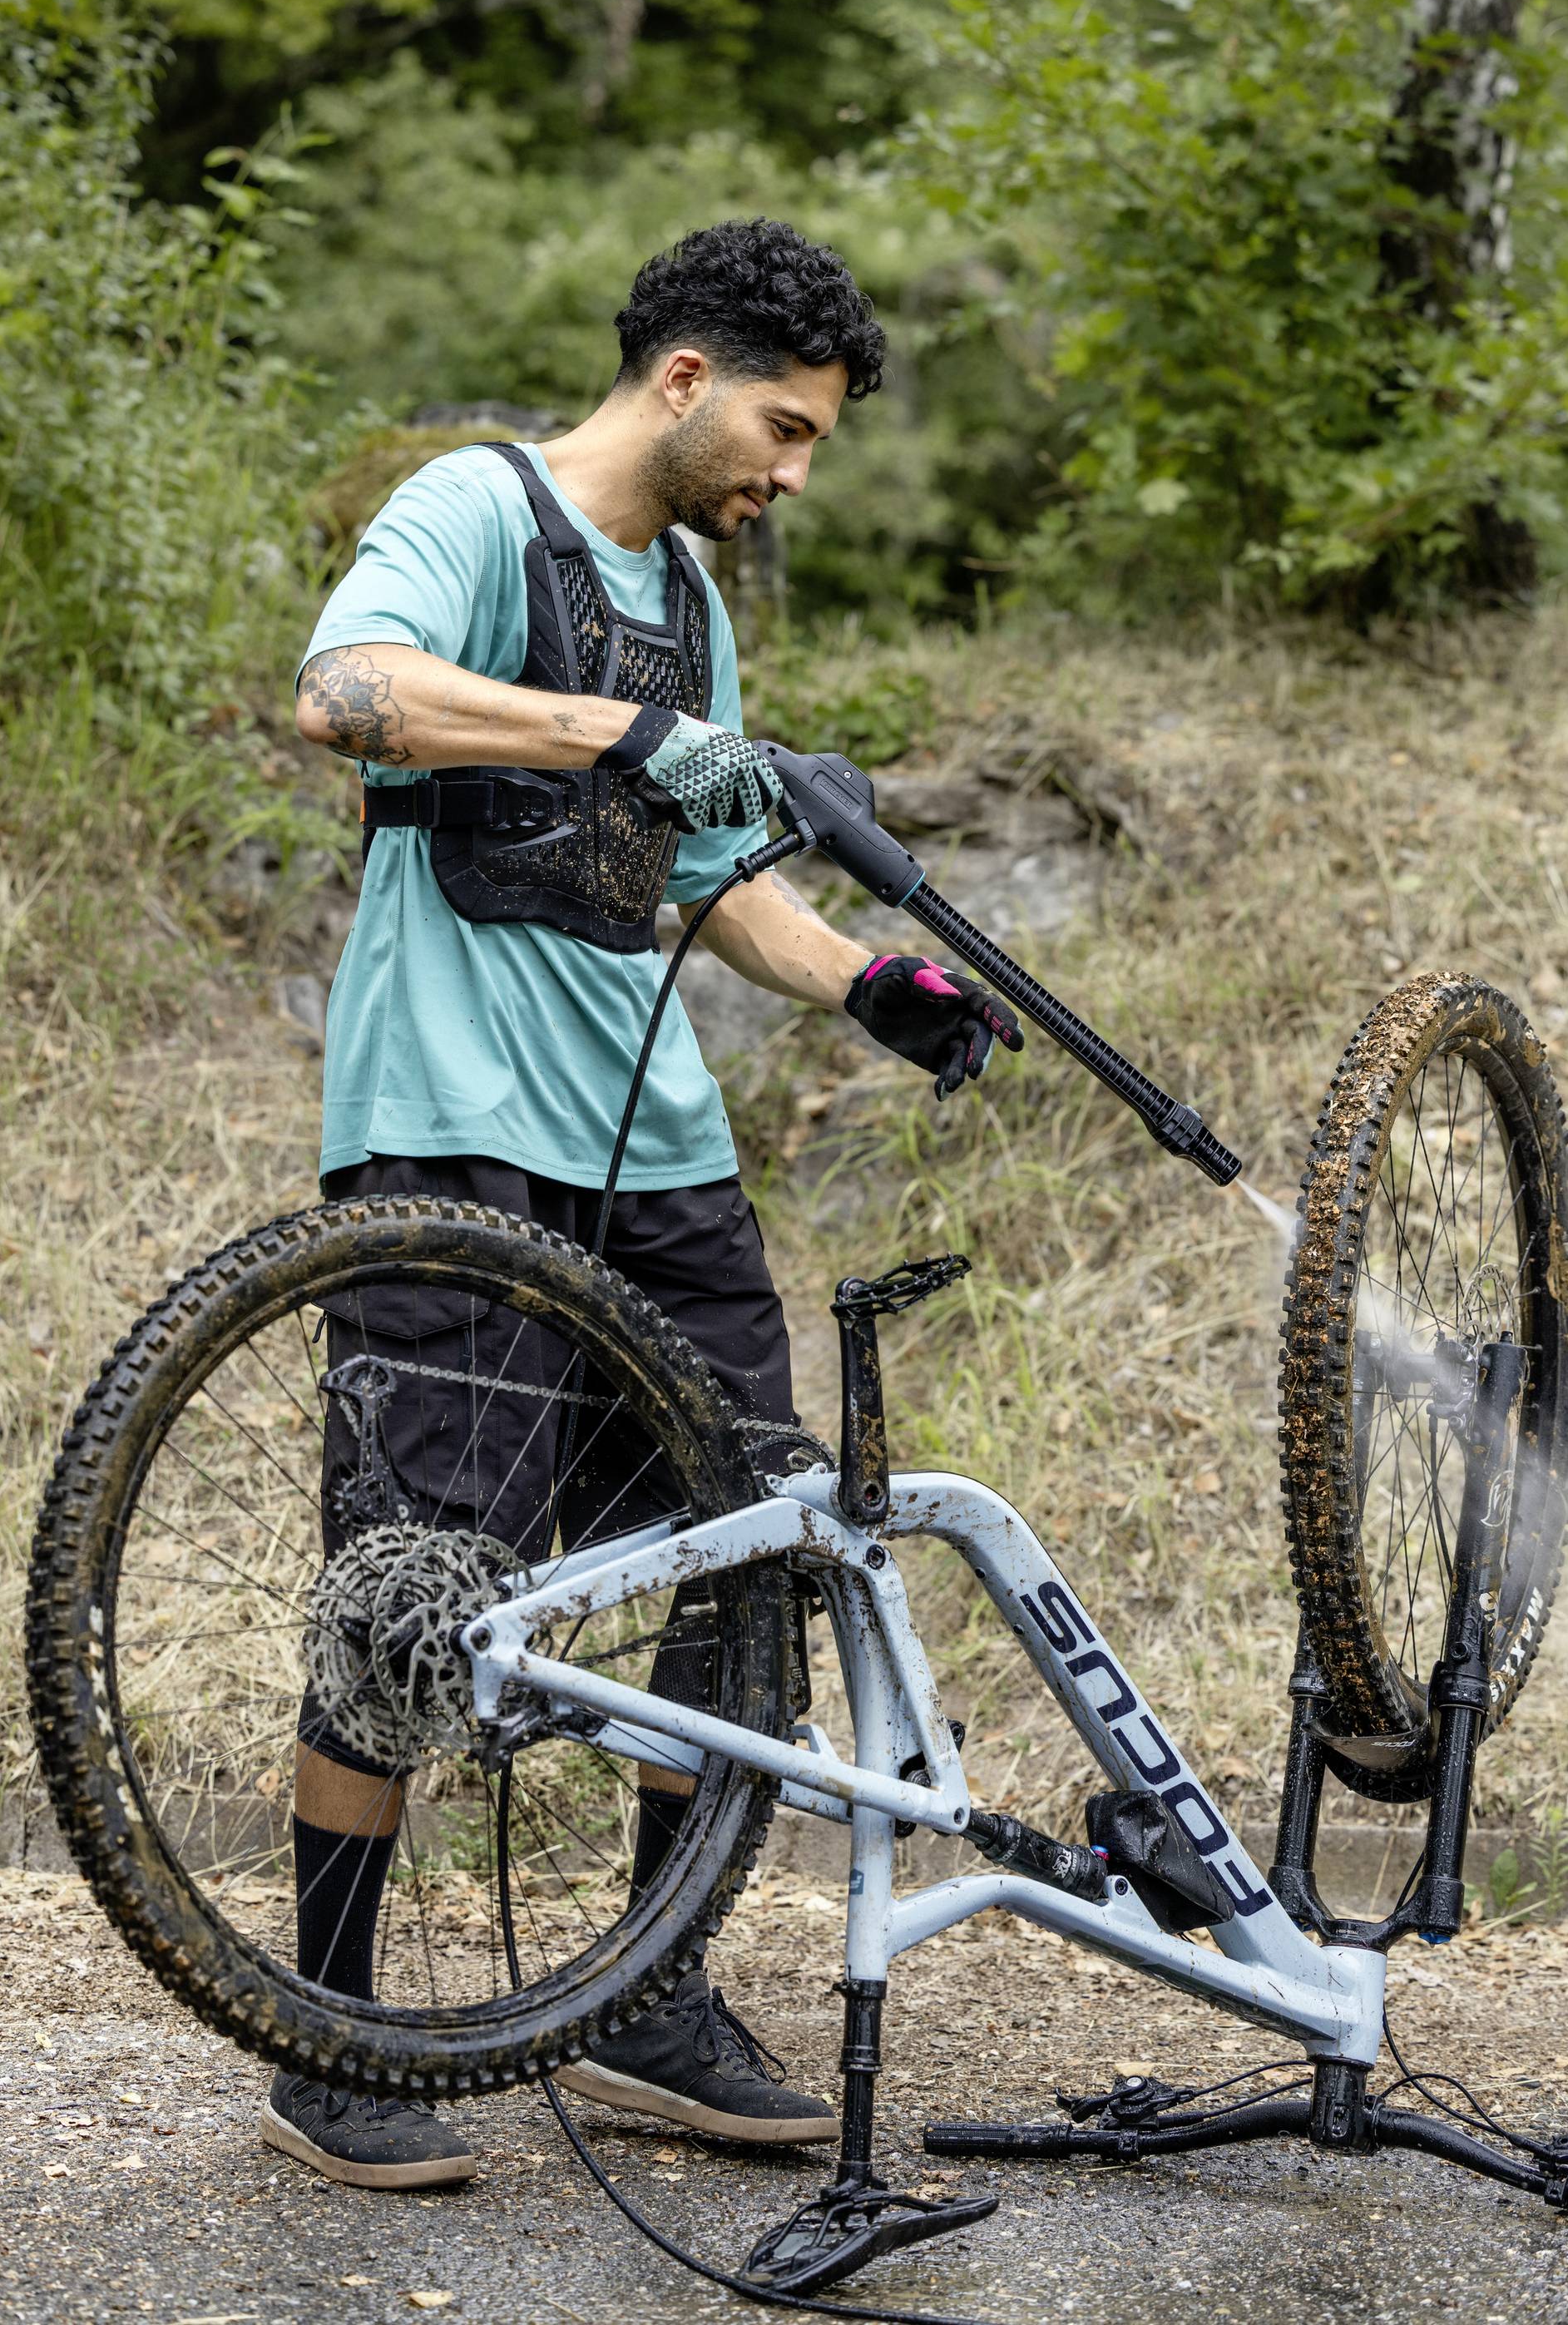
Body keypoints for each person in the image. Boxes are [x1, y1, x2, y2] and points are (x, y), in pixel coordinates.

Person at [265, 219, 1021, 2189]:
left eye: (815, 443)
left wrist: (862, 978)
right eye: (780, 428)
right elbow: (345, 692)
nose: (790, 474)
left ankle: (648, 1991)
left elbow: (701, 870)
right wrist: (607, 726)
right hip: (447, 1132)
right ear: (683, 380)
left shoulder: (690, 592)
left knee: (754, 1535)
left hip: (655, 1161)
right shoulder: (474, 507)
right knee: (411, 1577)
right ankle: (326, 2029)